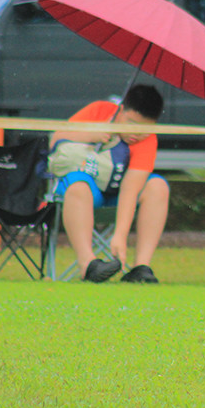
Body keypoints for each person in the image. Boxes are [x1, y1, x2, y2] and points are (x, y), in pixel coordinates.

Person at [50, 84, 169, 284]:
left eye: (145, 128)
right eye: (130, 123)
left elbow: (130, 190)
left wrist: (120, 236)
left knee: (158, 186)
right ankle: (88, 265)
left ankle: (141, 268)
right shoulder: (99, 110)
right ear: (121, 109)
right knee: (78, 185)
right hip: (86, 189)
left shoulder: (147, 141)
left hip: (118, 196)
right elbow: (56, 138)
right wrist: (92, 135)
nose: (135, 134)